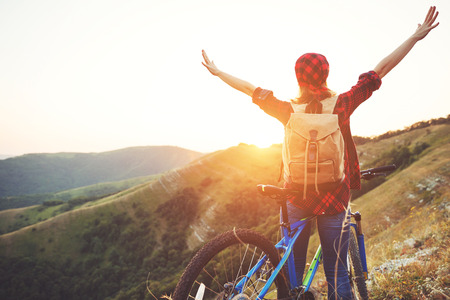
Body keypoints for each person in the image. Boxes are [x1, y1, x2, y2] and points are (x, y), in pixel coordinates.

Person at [201, 6, 439, 299]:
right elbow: (381, 69)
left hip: (293, 195)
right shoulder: (342, 104)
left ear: (298, 78)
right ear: (326, 75)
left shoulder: (287, 109)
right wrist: (415, 36)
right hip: (334, 196)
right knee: (338, 274)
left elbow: (251, 89)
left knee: (292, 271)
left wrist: (218, 71)